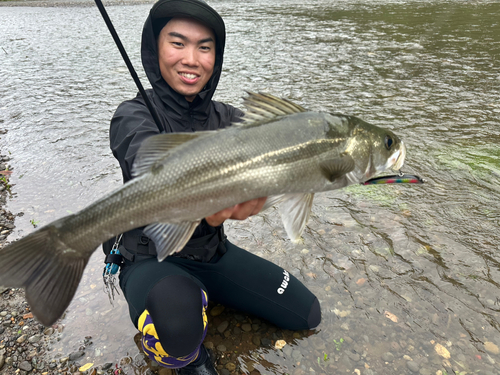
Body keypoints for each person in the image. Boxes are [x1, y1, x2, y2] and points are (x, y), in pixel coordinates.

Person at [108, 0, 321, 374]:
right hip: (149, 258)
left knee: (306, 313)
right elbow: (143, 155)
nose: (191, 59)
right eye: (177, 43)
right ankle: (187, 355)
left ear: (216, 57)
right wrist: (207, 189)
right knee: (178, 325)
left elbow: (280, 146)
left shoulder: (230, 119)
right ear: (155, 48)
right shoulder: (132, 114)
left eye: (204, 47)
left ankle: (202, 294)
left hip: (212, 253)